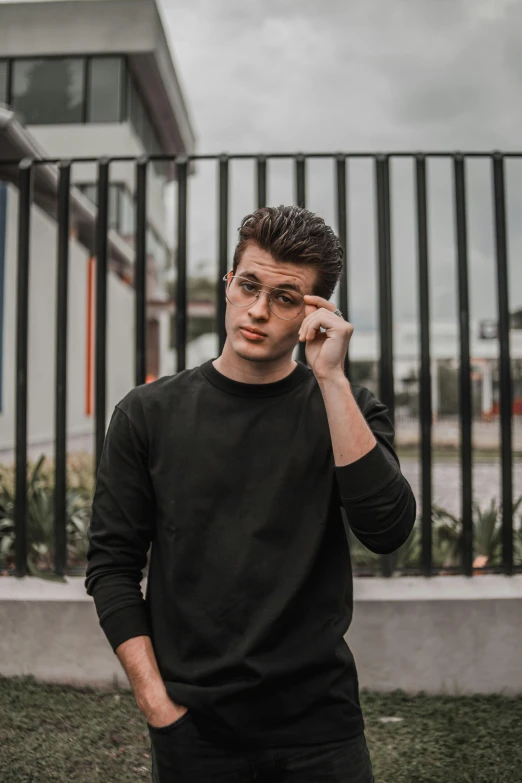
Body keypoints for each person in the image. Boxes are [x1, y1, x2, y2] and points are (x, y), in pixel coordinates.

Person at [85, 205, 416, 782]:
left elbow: (387, 531)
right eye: (249, 286)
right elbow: (112, 566)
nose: (259, 311)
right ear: (228, 286)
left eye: (286, 298)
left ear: (317, 312)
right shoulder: (147, 414)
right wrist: (157, 707)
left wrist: (331, 380)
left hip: (321, 726)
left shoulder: (348, 409)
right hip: (194, 731)